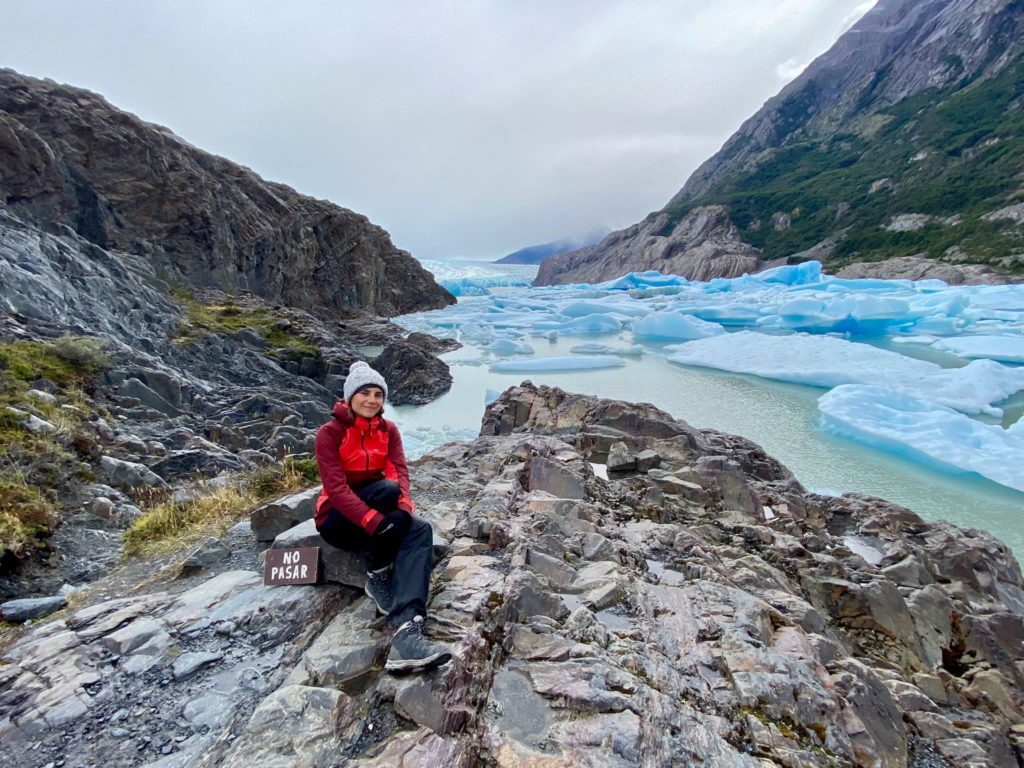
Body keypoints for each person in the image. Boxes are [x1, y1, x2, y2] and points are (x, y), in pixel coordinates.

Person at [314, 360, 451, 673]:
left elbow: (399, 469)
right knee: (386, 491)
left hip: (379, 511)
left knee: (418, 529)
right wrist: (374, 522)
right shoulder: (330, 433)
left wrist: (404, 508)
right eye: (365, 393)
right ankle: (377, 570)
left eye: (378, 394)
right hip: (337, 520)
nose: (372, 400)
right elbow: (336, 489)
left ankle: (408, 631)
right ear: (350, 397)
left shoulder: (388, 430)